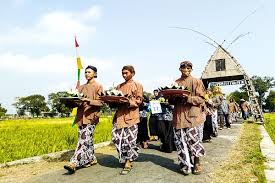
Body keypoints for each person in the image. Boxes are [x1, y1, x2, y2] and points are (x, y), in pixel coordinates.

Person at [168, 60, 205, 175]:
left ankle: (197, 162)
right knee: (180, 141)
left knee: (193, 140)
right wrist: (171, 97)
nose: (186, 70)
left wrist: (187, 98)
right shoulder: (176, 82)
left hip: (192, 116)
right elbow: (171, 101)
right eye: (184, 68)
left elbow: (201, 99)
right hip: (178, 116)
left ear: (191, 70)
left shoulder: (196, 81)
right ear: (180, 69)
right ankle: (185, 163)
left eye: (189, 68)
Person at [64, 65, 103, 174]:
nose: (87, 74)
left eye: (89, 72)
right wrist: (72, 101)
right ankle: (92, 158)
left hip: (91, 117)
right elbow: (77, 102)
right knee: (87, 140)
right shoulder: (80, 87)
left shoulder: (98, 86)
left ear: (95, 73)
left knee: (83, 140)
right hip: (80, 117)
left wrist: (88, 100)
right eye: (85, 72)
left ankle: (74, 162)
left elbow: (100, 102)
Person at [112, 65, 143, 175]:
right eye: (123, 73)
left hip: (131, 116)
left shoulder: (137, 85)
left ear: (133, 73)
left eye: (126, 73)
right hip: (119, 116)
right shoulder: (119, 86)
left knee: (129, 140)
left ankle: (128, 161)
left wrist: (128, 102)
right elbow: (114, 100)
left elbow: (139, 101)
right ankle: (127, 156)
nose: (124, 75)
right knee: (116, 138)